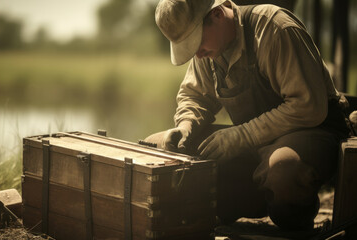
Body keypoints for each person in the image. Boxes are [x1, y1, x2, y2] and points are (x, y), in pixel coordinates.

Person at [145, 0, 350, 231]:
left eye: (198, 41)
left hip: (314, 132)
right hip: (258, 145)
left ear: (218, 14)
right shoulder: (208, 50)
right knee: (156, 147)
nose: (198, 54)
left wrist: (241, 136)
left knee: (283, 170)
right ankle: (250, 200)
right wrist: (184, 126)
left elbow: (308, 106)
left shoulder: (274, 29)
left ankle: (293, 220)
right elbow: (194, 96)